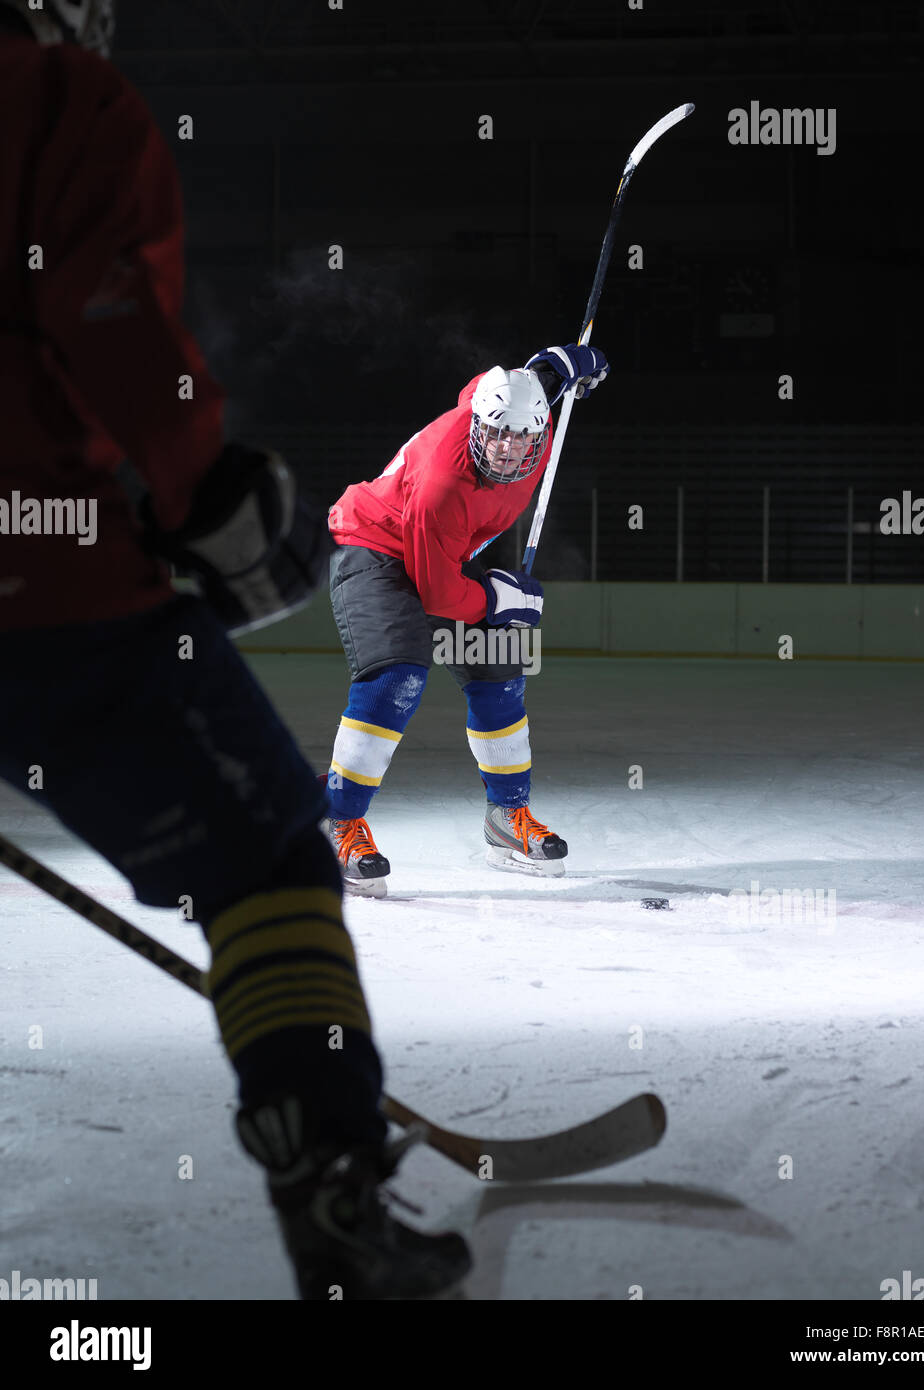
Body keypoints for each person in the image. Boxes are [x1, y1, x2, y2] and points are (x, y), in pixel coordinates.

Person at [0, 0, 469, 1300]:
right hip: (43, 587)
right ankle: (330, 1183)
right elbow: (107, 316)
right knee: (268, 858)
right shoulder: (53, 96)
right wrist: (202, 485)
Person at [323, 344, 609, 896]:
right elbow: (436, 594)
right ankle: (338, 820)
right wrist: (499, 602)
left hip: (442, 556)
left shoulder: (533, 419)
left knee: (501, 670)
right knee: (398, 675)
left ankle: (507, 819)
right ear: (479, 423)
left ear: (539, 429)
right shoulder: (442, 484)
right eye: (495, 433)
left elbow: (531, 380)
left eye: (520, 437)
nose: (506, 449)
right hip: (374, 547)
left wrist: (565, 364)